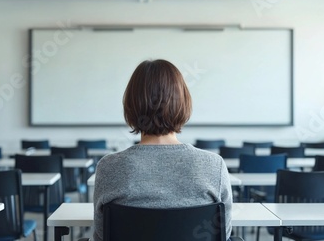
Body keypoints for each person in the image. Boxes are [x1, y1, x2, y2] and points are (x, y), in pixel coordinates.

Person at [91, 59, 232, 241]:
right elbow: (223, 234)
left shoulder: (108, 167)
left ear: (131, 105)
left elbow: (102, 236)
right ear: (182, 102)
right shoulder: (214, 166)